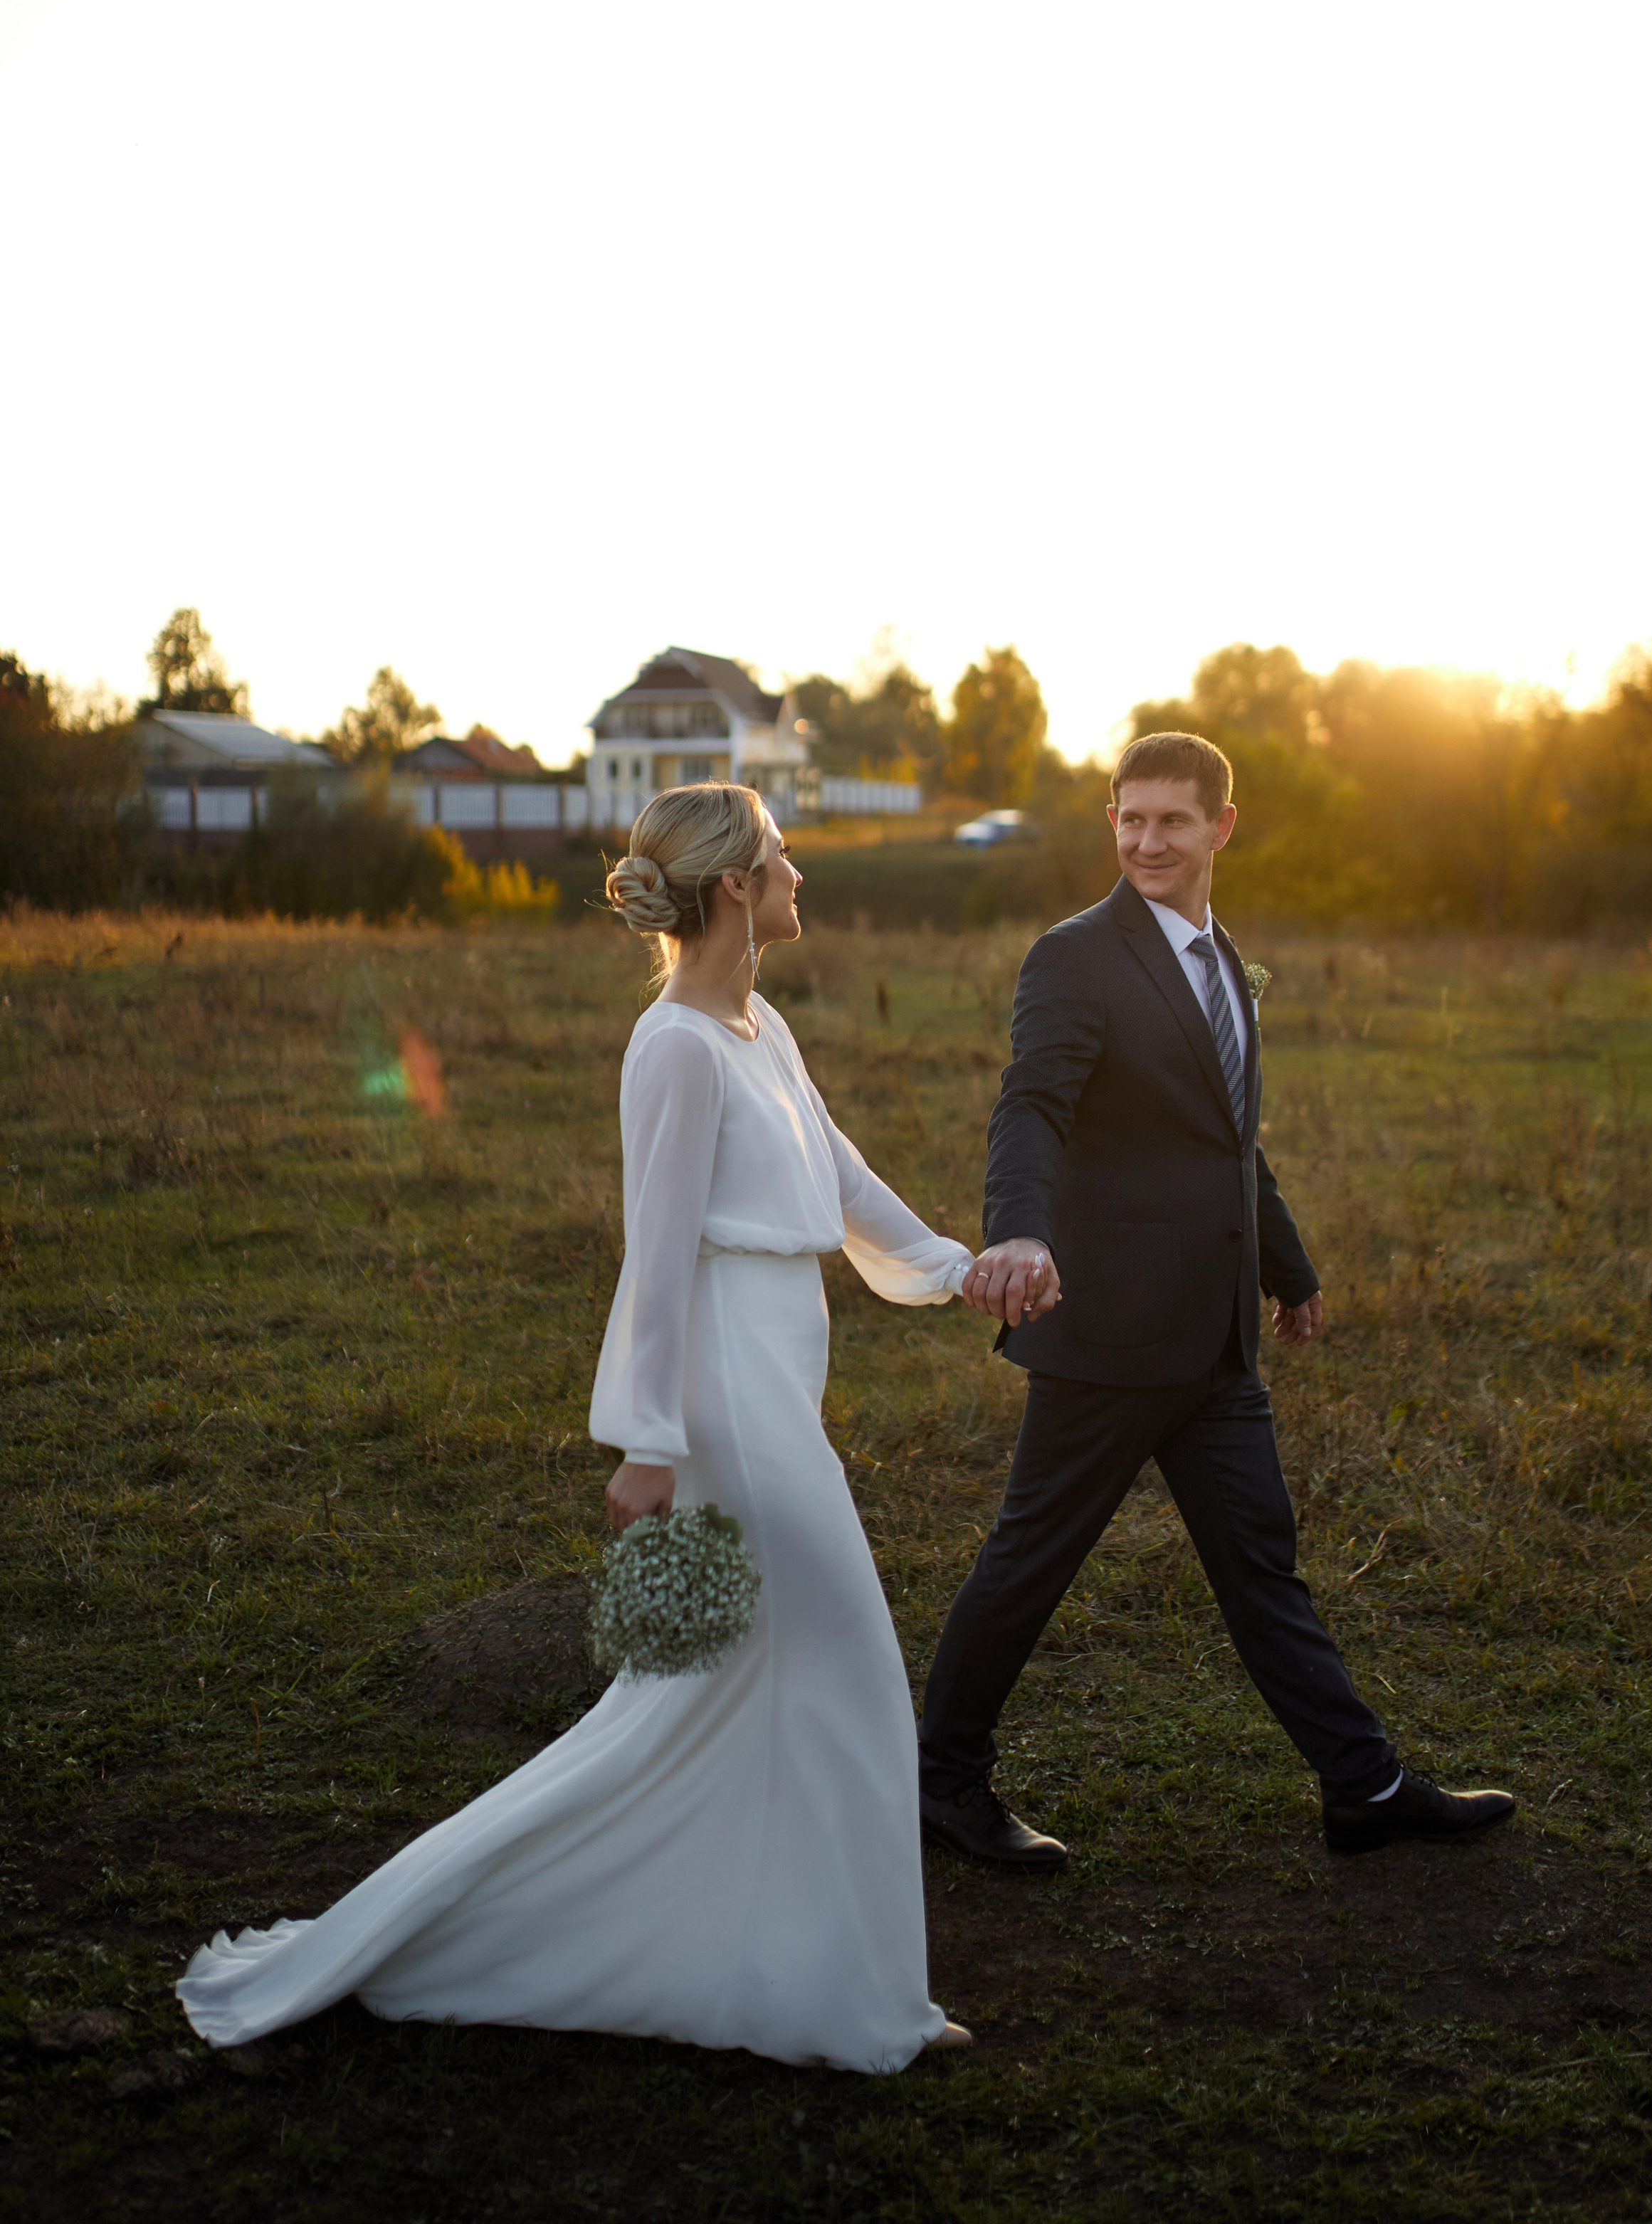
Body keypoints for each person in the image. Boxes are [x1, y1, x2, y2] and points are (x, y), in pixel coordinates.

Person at [180, 782, 978, 2073]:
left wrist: (957, 1266)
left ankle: (786, 1969)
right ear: (732, 889)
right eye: (780, 859)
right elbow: (654, 1255)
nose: (796, 877)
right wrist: (649, 1436)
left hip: (781, 1382)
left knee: (702, 1709)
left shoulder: (756, 1022)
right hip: (725, 1399)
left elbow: (841, 1179)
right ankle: (857, 2006)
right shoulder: (671, 1045)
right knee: (849, 1678)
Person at [917, 730, 1515, 1866]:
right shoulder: (1075, 957)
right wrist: (1022, 1228)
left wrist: (1289, 1272)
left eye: (1171, 821)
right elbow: (1030, 1105)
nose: (1146, 840)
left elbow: (1233, 1143)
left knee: (1261, 1565)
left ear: (1221, 829)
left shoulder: (1222, 957)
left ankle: (1364, 1790)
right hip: (1110, 1333)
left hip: (1217, 1345)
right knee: (1028, 1562)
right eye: (1129, 818)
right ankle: (941, 1784)